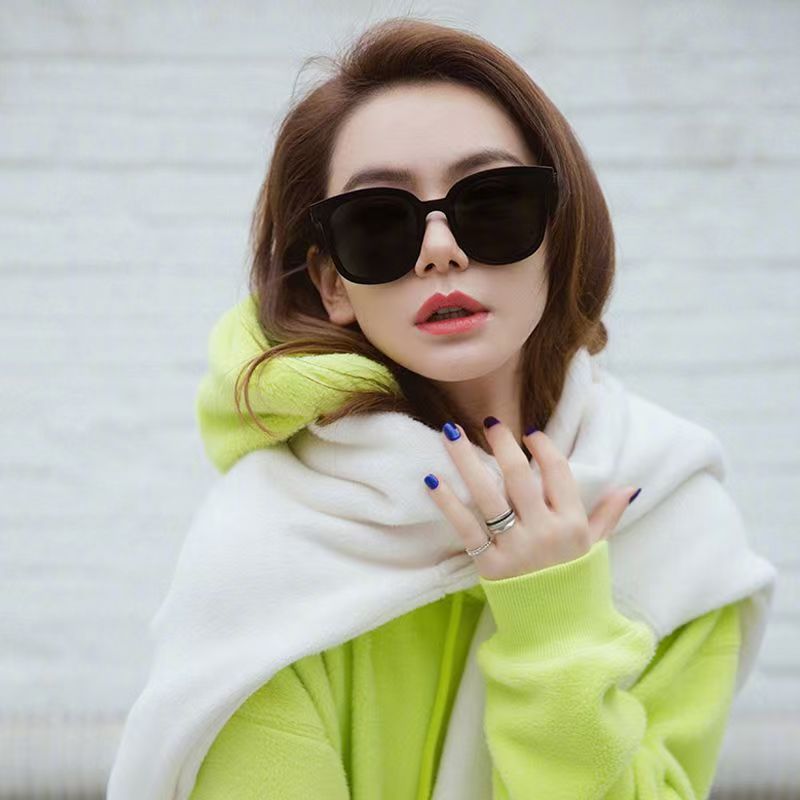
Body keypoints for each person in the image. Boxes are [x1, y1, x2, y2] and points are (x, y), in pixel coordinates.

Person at [106, 17, 777, 800]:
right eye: (377, 222)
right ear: (331, 284)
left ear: (557, 238)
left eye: (492, 203)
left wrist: (555, 623)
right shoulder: (264, 547)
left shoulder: (674, 529)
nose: (439, 250)